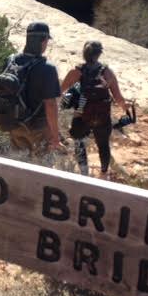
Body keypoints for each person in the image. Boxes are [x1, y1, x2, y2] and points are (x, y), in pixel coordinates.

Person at [60, 40, 129, 179]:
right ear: (99, 54)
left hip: (81, 115)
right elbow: (118, 98)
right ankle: (104, 173)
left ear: (84, 54)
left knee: (79, 143)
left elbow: (60, 90)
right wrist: (126, 109)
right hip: (102, 117)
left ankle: (84, 174)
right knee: (103, 145)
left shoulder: (76, 71)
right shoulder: (107, 72)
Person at [7, 22, 64, 155]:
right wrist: (55, 137)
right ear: (43, 41)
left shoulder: (11, 61)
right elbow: (50, 105)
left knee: (18, 164)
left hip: (14, 124)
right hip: (38, 128)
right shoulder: (48, 68)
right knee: (41, 167)